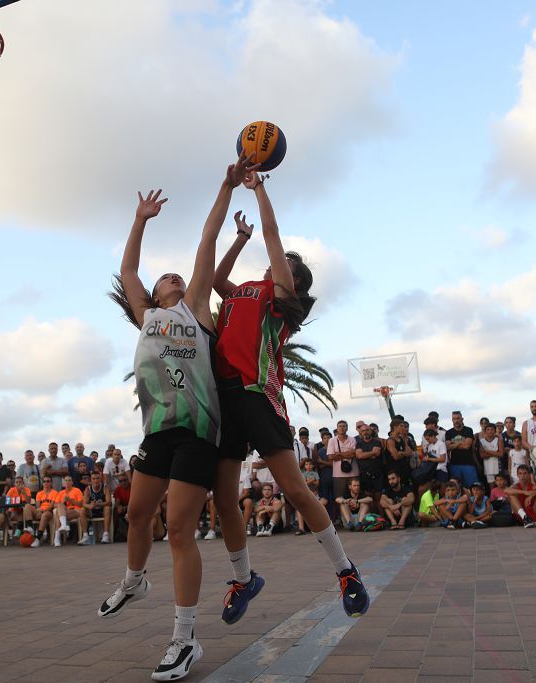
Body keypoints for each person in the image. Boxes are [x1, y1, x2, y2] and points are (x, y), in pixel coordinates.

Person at [99, 155, 254, 683]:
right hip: (158, 431)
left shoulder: (197, 312)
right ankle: (133, 580)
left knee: (180, 531)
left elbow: (208, 237)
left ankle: (184, 639)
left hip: (198, 432)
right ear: (152, 295)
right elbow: (127, 272)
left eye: (178, 276)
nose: (173, 277)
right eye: (166, 277)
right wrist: (140, 220)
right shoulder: (147, 316)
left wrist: (226, 185)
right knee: (139, 516)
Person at [210, 168, 369, 624]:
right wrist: (239, 238)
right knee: (224, 500)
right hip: (225, 398)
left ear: (292, 282)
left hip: (259, 394)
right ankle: (243, 579)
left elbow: (275, 238)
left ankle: (346, 571)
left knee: (296, 489)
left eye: (284, 268)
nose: (274, 265)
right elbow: (219, 281)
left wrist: (260, 191)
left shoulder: (284, 304)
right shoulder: (245, 290)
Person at [445, 412, 478, 488]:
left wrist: (454, 443)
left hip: (468, 464)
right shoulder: (449, 432)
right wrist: (460, 442)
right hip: (454, 464)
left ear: (462, 419)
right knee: (456, 487)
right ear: (452, 420)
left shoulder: (468, 430)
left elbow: (467, 446)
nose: (456, 420)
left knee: (473, 487)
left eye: (458, 418)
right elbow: (448, 447)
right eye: (454, 419)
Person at [81, 470, 111, 544]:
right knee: (82, 510)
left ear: (101, 479)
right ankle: (85, 536)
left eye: (97, 478)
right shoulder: (88, 489)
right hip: (92, 511)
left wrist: (98, 504)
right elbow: (84, 504)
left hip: (102, 510)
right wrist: (90, 506)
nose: (96, 480)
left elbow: (109, 502)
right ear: (91, 480)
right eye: (93, 479)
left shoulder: (105, 487)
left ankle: (106, 534)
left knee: (107, 508)